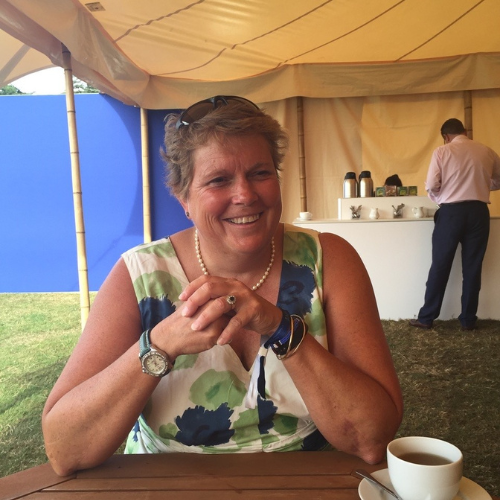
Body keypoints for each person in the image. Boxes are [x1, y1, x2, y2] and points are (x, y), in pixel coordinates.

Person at [42, 95, 403, 476]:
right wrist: (161, 345)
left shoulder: (329, 260)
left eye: (260, 173)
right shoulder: (139, 275)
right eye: (218, 180)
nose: (245, 195)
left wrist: (282, 327)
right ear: (183, 198)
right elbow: (66, 449)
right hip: (166, 487)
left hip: (303, 484)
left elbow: (371, 438)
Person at [410, 118, 500, 331]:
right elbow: (499, 179)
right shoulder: (487, 151)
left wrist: (439, 196)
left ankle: (426, 318)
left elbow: (432, 184)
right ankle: (468, 320)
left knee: (440, 265)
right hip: (478, 212)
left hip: (451, 213)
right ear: (465, 131)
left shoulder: (442, 152)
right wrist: (482, 185)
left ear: (446, 137)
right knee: (473, 267)